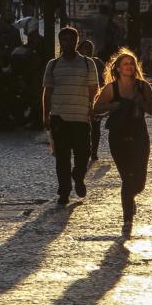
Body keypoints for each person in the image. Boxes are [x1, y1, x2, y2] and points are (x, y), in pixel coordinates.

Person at [93, 48, 152, 235]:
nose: (129, 67)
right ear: (118, 69)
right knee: (127, 179)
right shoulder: (111, 88)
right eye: (125, 64)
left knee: (139, 183)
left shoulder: (143, 86)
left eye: (131, 64)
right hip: (118, 136)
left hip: (139, 136)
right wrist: (112, 105)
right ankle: (127, 220)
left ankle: (130, 199)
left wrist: (140, 101)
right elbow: (96, 108)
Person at [42, 27, 99, 205]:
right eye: (64, 39)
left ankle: (78, 175)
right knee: (62, 157)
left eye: (70, 39)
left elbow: (94, 89)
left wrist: (92, 107)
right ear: (61, 42)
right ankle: (64, 191)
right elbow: (47, 91)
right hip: (59, 117)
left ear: (76, 41)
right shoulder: (53, 64)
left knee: (83, 153)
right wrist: (45, 115)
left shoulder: (88, 64)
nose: (67, 43)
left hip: (81, 116)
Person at [79, 39, 106, 162]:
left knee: (95, 126)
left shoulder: (97, 62)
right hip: (80, 99)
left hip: (95, 98)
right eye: (85, 48)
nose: (87, 51)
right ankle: (86, 150)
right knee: (83, 127)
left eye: (89, 48)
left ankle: (94, 151)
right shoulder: (76, 63)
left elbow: (105, 78)